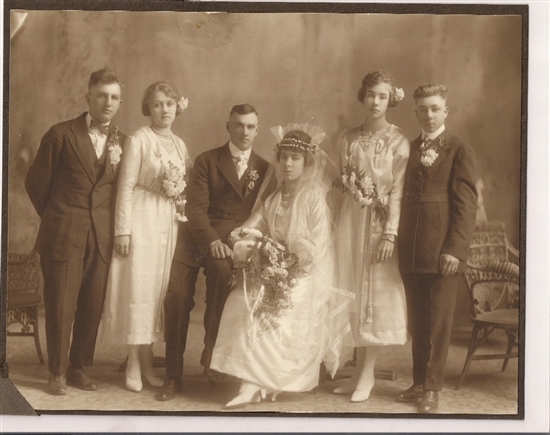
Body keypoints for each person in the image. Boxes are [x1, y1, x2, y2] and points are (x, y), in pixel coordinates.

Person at [210, 124, 354, 409]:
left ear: (307, 162)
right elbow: (253, 225)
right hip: (277, 269)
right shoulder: (275, 197)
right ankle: (253, 380)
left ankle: (255, 384)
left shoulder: (313, 197)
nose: (288, 164)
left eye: (295, 158)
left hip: (305, 275)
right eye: (284, 157)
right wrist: (241, 235)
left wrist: (285, 262)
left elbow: (317, 247)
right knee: (241, 299)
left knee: (270, 304)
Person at [156, 104, 273, 401]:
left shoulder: (264, 167)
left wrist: (236, 242)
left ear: (257, 130)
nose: (244, 132)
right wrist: (211, 241)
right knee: (178, 295)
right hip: (197, 236)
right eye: (238, 125)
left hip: (231, 241)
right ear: (228, 127)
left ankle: (212, 356)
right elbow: (195, 209)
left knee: (222, 274)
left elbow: (261, 213)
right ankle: (172, 374)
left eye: (250, 127)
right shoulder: (208, 160)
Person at [25, 67, 125, 395]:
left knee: (91, 305)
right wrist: (57, 217)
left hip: (100, 237)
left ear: (119, 102)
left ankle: (78, 367)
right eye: (101, 95)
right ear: (88, 97)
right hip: (64, 231)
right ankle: (56, 371)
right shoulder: (60, 134)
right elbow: (36, 183)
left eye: (113, 97)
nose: (107, 103)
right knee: (60, 303)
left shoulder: (123, 142)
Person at [101, 81, 192, 392]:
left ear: (178, 105)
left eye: (169, 103)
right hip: (141, 218)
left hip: (168, 222)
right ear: (148, 108)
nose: (163, 109)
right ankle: (133, 362)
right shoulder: (140, 139)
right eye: (157, 104)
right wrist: (123, 231)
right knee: (138, 287)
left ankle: (149, 361)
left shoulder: (180, 145)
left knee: (157, 290)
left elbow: (181, 189)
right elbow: (125, 187)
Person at [396, 84, 477, 413]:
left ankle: (432, 388)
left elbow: (466, 205)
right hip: (411, 249)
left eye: (434, 108)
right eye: (422, 109)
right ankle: (418, 383)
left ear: (445, 111)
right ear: (415, 112)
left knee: (439, 322)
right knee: (418, 322)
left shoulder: (458, 148)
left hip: (442, 248)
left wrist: (455, 250)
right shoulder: (408, 148)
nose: (428, 115)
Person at [332, 71, 410, 402]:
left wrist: (390, 234)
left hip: (379, 226)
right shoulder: (348, 138)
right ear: (362, 97)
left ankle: (367, 375)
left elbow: (397, 192)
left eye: (382, 96)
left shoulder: (398, 141)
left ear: (391, 99)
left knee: (375, 299)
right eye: (371, 95)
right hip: (351, 222)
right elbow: (339, 186)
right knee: (353, 293)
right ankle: (357, 372)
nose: (375, 102)